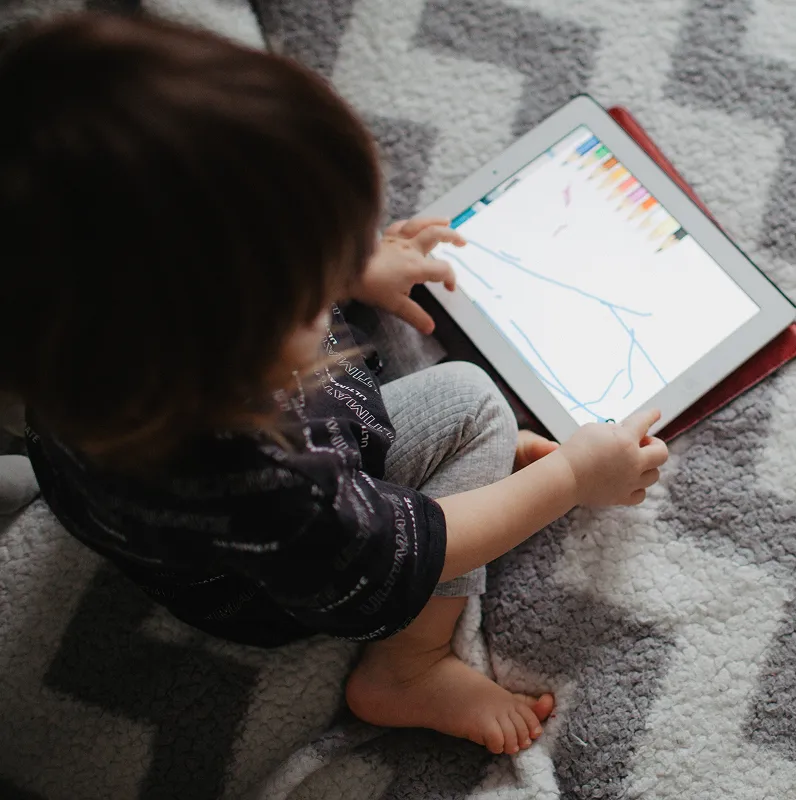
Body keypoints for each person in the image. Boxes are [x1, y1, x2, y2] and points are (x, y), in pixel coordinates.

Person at [0, 13, 668, 756]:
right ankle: (409, 669)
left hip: (146, 522)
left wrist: (352, 268)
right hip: (272, 586)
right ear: (223, 346)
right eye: (310, 287)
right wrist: (577, 477)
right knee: (474, 404)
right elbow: (403, 552)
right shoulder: (269, 475)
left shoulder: (72, 344)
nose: (332, 291)